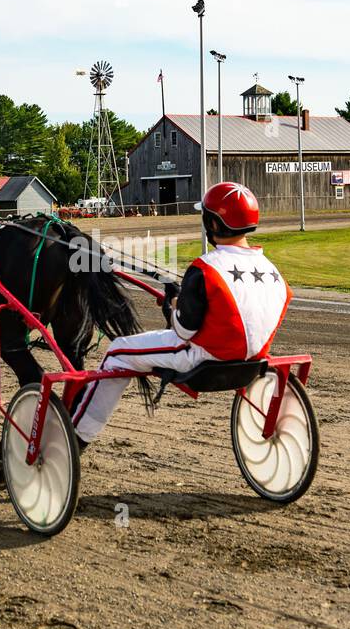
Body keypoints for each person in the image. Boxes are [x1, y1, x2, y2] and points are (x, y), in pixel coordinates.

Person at [71, 182, 291, 445]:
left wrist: (173, 306)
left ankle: (78, 437)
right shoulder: (273, 271)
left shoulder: (205, 268)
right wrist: (181, 300)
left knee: (117, 352)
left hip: (202, 359)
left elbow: (183, 330)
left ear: (214, 224)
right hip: (254, 359)